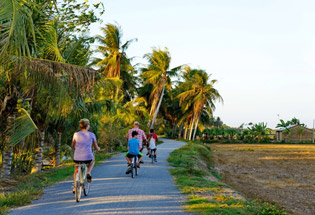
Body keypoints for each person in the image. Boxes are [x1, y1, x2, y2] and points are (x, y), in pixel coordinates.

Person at [72, 119, 100, 190]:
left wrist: (76, 148)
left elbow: (72, 146)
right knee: (92, 161)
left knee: (76, 169)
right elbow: (96, 147)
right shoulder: (92, 135)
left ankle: (75, 186)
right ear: (87, 126)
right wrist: (98, 149)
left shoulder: (76, 134)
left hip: (77, 157)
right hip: (88, 157)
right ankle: (88, 172)